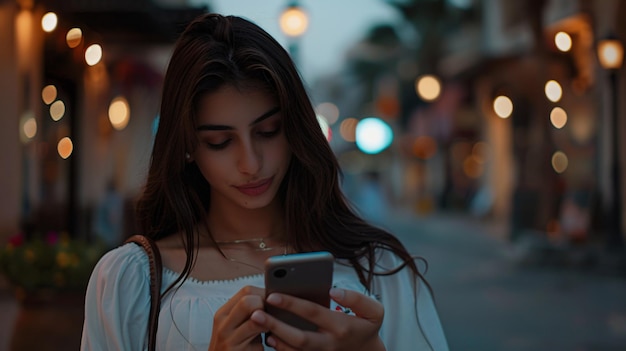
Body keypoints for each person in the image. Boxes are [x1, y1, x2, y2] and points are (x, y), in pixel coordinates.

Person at [81, 13, 448, 351]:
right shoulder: (131, 282)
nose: (251, 163)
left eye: (269, 132)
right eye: (220, 142)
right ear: (189, 146)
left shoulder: (378, 270)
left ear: (294, 128)